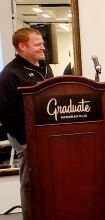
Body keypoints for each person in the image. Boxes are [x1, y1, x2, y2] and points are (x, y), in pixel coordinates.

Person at [0, 27, 54, 220]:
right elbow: (5, 113)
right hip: (24, 138)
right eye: (37, 44)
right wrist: (24, 140)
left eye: (42, 43)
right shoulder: (9, 74)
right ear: (21, 46)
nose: (43, 47)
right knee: (30, 182)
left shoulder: (46, 68)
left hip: (46, 136)